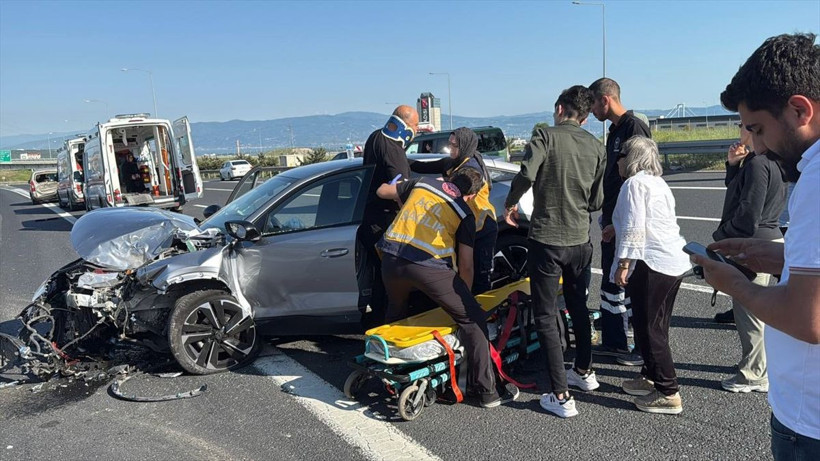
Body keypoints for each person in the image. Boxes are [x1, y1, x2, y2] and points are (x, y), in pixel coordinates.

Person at [693, 33, 819, 459]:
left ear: (800, 109)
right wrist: (783, 257)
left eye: (759, 129)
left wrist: (734, 284)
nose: (758, 146)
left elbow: (809, 319)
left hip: (809, 421)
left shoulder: (816, 178)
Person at [376, 167, 518, 408]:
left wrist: (401, 193)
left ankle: (389, 376)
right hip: (426, 266)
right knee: (473, 322)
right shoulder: (465, 213)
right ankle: (487, 392)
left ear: (451, 179)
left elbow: (382, 191)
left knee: (397, 312)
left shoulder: (422, 183)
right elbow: (466, 266)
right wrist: (466, 300)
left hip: (389, 258)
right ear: (472, 196)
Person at [503, 85, 605, 418]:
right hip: (581, 240)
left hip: (547, 240)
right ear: (586, 117)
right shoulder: (595, 145)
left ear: (559, 109)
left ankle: (559, 394)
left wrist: (510, 201)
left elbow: (526, 174)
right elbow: (596, 200)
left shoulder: (545, 137)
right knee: (578, 305)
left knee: (546, 315)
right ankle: (584, 371)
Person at [610, 137, 690, 414]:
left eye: (621, 156)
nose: (618, 161)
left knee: (648, 328)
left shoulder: (633, 184)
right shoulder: (657, 182)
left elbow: (634, 228)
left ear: (631, 158)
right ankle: (650, 375)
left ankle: (668, 392)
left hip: (651, 262)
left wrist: (623, 264)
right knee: (658, 325)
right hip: (672, 261)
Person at [712, 125, 786, 394]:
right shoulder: (768, 161)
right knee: (760, 310)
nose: (739, 129)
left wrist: (723, 238)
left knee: (750, 313)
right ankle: (761, 366)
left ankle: (753, 374)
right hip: (768, 238)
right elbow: (739, 195)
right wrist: (733, 166)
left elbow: (747, 213)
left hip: (754, 243)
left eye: (743, 125)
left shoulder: (757, 164)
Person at [589, 77, 651, 367]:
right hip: (612, 215)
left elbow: (645, 176)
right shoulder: (614, 130)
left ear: (605, 100)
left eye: (592, 103)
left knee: (629, 280)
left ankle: (641, 346)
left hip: (627, 218)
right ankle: (615, 341)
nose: (590, 111)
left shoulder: (633, 127)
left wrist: (626, 221)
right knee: (612, 281)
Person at [410, 127, 497, 294]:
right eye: (449, 144)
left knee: (479, 276)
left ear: (464, 146)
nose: (450, 148)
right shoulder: (454, 162)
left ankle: (481, 314)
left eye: (454, 145)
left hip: (482, 227)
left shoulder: (471, 169)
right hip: (466, 226)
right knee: (463, 271)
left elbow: (453, 188)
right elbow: (422, 167)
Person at [358, 105, 419, 329]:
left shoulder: (374, 138)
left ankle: (376, 320)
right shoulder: (393, 148)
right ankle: (392, 325)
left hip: (368, 218)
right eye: (415, 125)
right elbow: (401, 190)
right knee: (392, 277)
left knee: (379, 277)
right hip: (384, 221)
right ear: (406, 125)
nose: (417, 130)